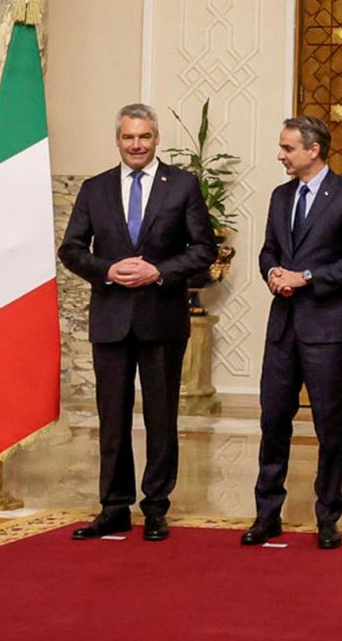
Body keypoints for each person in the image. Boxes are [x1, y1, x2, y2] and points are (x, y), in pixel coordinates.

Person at [58, 103, 216, 541]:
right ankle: (114, 507)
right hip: (110, 319)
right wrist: (108, 270)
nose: (136, 145)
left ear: (156, 139)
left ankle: (156, 507)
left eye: (144, 137)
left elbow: (204, 250)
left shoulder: (182, 185)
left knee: (161, 417)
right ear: (117, 140)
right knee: (112, 418)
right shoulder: (95, 189)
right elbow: (71, 249)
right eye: (128, 137)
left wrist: (158, 271)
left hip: (161, 318)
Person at [242, 116, 342, 551]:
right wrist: (272, 274)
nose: (280, 155)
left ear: (313, 149)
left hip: (328, 330)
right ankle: (267, 514)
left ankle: (328, 515)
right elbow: (268, 251)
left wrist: (306, 276)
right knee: (273, 419)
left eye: (288, 148)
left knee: (328, 424)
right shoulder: (281, 196)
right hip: (283, 327)